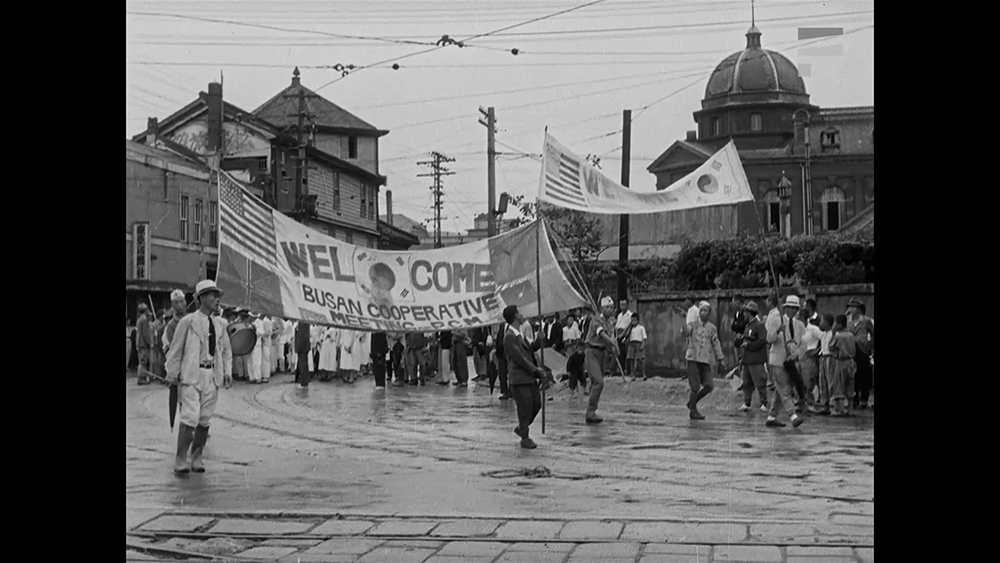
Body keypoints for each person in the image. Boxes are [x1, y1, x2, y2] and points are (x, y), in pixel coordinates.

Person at [165, 280, 233, 474]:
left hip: (212, 375)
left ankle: (197, 456)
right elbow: (175, 350)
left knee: (204, 419)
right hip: (191, 375)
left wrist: (227, 371)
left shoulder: (220, 324)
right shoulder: (187, 322)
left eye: (218, 295)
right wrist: (172, 375)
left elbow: (226, 350)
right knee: (190, 416)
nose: (217, 299)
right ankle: (180, 458)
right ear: (201, 298)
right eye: (212, 294)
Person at [503, 305, 546, 449]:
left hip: (528, 377)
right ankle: (525, 437)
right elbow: (519, 358)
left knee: (536, 404)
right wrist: (536, 370)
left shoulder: (519, 333)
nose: (522, 315)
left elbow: (529, 350)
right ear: (515, 316)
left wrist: (538, 342)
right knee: (525, 407)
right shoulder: (509, 336)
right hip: (519, 378)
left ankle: (522, 428)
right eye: (519, 312)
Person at [765, 295, 805, 428]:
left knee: (780, 389)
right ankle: (793, 416)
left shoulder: (799, 325)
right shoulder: (777, 320)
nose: (793, 310)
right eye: (791, 308)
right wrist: (778, 331)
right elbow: (769, 339)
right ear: (786, 308)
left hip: (791, 361)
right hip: (777, 360)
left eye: (795, 308)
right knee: (784, 388)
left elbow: (803, 344)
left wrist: (796, 354)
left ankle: (771, 416)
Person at [683, 301, 725, 420]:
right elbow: (685, 333)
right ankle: (693, 411)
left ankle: (692, 403)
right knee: (695, 387)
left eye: (705, 310)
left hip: (705, 360)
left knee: (709, 385)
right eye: (701, 310)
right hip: (693, 359)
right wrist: (684, 329)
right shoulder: (692, 324)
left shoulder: (712, 328)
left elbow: (716, 343)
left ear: (709, 313)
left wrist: (720, 358)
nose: (703, 313)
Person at [583, 297, 618, 424]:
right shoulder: (596, 319)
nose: (610, 310)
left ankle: (591, 412)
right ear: (602, 308)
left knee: (595, 384)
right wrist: (613, 343)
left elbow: (610, 338)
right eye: (607, 307)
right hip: (592, 351)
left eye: (611, 307)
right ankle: (591, 411)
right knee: (599, 382)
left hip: (602, 353)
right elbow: (602, 334)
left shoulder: (610, 324)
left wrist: (614, 348)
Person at [738, 301, 769, 412]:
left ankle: (764, 402)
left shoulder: (759, 325)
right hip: (747, 359)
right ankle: (747, 402)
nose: (744, 313)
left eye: (746, 311)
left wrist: (749, 345)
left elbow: (762, 341)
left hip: (756, 359)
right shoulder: (748, 325)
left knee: (760, 382)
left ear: (750, 313)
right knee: (746, 382)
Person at [846, 299, 874, 409]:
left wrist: (869, 343)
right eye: (850, 307)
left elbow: (872, 332)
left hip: (863, 349)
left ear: (858, 309)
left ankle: (864, 398)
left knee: (864, 374)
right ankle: (855, 398)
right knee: (853, 375)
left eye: (853, 307)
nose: (851, 310)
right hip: (851, 349)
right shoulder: (848, 321)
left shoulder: (866, 320)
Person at [829, 314, 857, 417]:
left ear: (840, 324)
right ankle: (850, 408)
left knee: (839, 384)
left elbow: (831, 347)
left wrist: (832, 334)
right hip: (851, 361)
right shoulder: (851, 335)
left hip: (841, 361)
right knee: (850, 384)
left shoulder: (838, 335)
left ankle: (840, 409)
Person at [811, 314, 836, 416]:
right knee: (823, 382)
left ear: (827, 323)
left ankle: (833, 404)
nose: (820, 323)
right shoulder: (823, 334)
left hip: (830, 358)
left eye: (822, 321)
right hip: (823, 358)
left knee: (831, 381)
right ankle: (825, 404)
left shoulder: (832, 334)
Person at [798, 308, 823, 408]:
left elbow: (824, 339)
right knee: (798, 382)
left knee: (809, 382)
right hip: (798, 357)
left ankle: (811, 403)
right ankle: (801, 402)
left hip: (809, 358)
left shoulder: (814, 329)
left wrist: (816, 352)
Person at [136, 304, 154, 385]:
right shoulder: (144, 320)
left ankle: (142, 377)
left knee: (142, 361)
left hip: (140, 343)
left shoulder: (139, 319)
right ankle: (141, 378)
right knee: (143, 362)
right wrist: (149, 342)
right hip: (143, 343)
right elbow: (145, 333)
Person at [626, 313, 647, 381]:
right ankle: (633, 374)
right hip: (632, 344)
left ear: (638, 321)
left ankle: (643, 374)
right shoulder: (630, 329)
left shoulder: (641, 328)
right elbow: (628, 336)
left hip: (638, 343)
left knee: (640, 360)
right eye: (632, 320)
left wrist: (642, 345)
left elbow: (644, 337)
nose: (633, 322)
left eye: (634, 320)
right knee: (631, 359)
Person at [731, 294, 749, 366]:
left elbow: (744, 324)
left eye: (733, 302)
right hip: (737, 342)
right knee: (738, 364)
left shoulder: (747, 311)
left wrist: (738, 325)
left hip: (744, 342)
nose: (733, 304)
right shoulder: (737, 314)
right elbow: (733, 327)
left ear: (738, 302)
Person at [615, 300, 633, 370]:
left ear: (627, 305)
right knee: (620, 353)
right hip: (618, 334)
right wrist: (616, 336)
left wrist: (624, 335)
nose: (622, 307)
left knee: (626, 353)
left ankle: (627, 369)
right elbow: (617, 326)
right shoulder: (619, 315)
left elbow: (629, 326)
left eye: (624, 305)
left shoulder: (630, 315)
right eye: (621, 305)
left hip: (625, 334)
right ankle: (621, 368)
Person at [294, 321, 312, 389]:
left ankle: (304, 383)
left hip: (302, 347)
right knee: (303, 365)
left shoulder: (303, 323)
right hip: (302, 347)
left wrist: (298, 347)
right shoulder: (301, 322)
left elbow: (302, 336)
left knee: (303, 365)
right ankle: (304, 381)